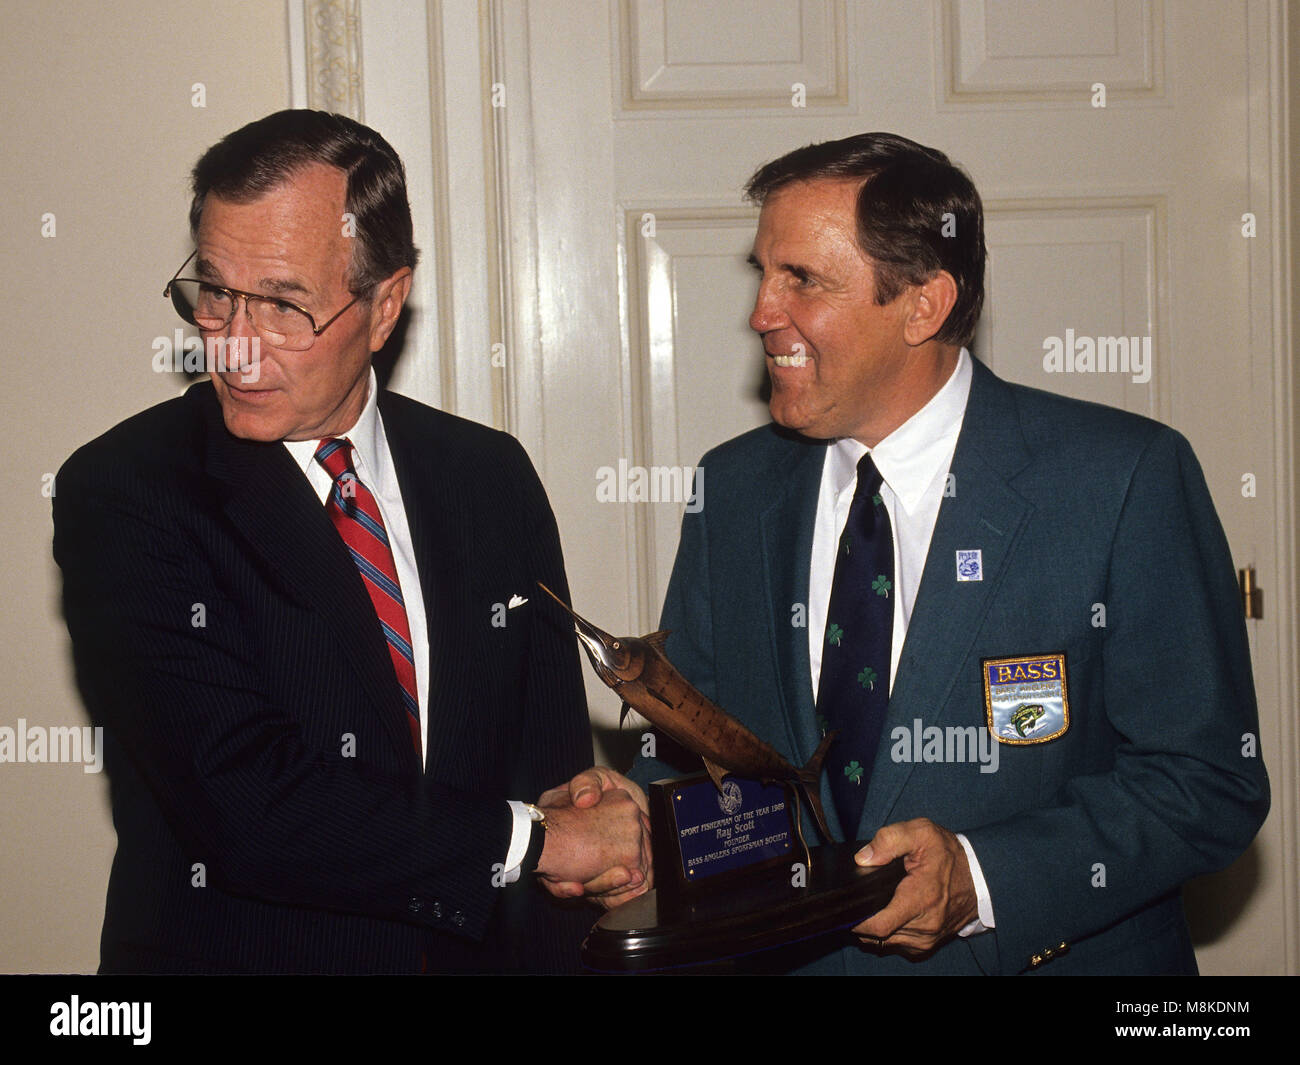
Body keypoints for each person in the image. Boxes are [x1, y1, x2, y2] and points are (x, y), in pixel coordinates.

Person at [622, 132, 1269, 974]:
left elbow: (1208, 781)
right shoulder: (734, 489)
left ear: (923, 304)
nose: (761, 314)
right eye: (763, 273)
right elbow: (697, 737)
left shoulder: (1120, 479)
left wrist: (983, 877)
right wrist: (632, 813)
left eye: (802, 280)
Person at [53, 109, 648, 974]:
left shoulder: (488, 476)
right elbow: (247, 804)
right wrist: (542, 840)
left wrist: (589, 825)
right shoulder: (129, 492)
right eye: (215, 292)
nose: (236, 348)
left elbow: (546, 767)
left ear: (384, 305)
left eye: (286, 306)